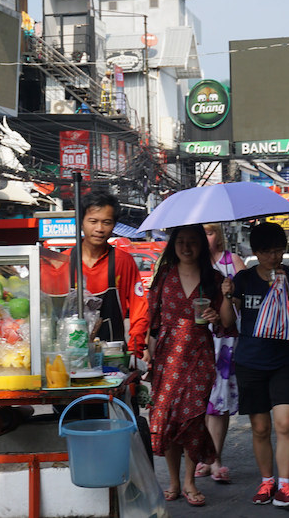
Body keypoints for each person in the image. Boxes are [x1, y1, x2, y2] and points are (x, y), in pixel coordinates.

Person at [147, 225, 236, 507]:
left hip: (199, 357)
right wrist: (150, 356)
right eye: (181, 242)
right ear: (174, 245)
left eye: (193, 242)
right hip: (166, 358)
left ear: (202, 245)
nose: (186, 247)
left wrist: (223, 301)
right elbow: (153, 321)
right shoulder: (163, 277)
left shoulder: (214, 279)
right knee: (170, 419)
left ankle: (189, 482)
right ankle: (173, 481)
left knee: (193, 418)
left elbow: (228, 323)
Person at [225, 222, 289, 508]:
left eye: (278, 251)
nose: (274, 257)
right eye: (267, 252)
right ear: (256, 252)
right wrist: (226, 294)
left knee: (284, 423)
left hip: (284, 360)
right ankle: (267, 481)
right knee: (260, 428)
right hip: (250, 361)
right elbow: (227, 321)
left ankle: (285, 486)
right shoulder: (244, 279)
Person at [67, 192, 149, 359]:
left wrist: (135, 349)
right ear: (81, 223)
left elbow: (139, 310)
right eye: (93, 221)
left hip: (114, 354)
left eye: (106, 222)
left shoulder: (123, 261)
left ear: (114, 225)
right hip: (70, 355)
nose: (99, 229)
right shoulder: (64, 262)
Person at [192, 223, 243, 483]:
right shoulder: (190, 264)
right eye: (201, 232)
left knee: (218, 403)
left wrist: (230, 295)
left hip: (224, 342)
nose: (205, 237)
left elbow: (246, 300)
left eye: (210, 232)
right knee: (199, 403)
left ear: (219, 235)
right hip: (197, 341)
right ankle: (203, 456)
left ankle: (216, 457)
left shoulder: (232, 261)